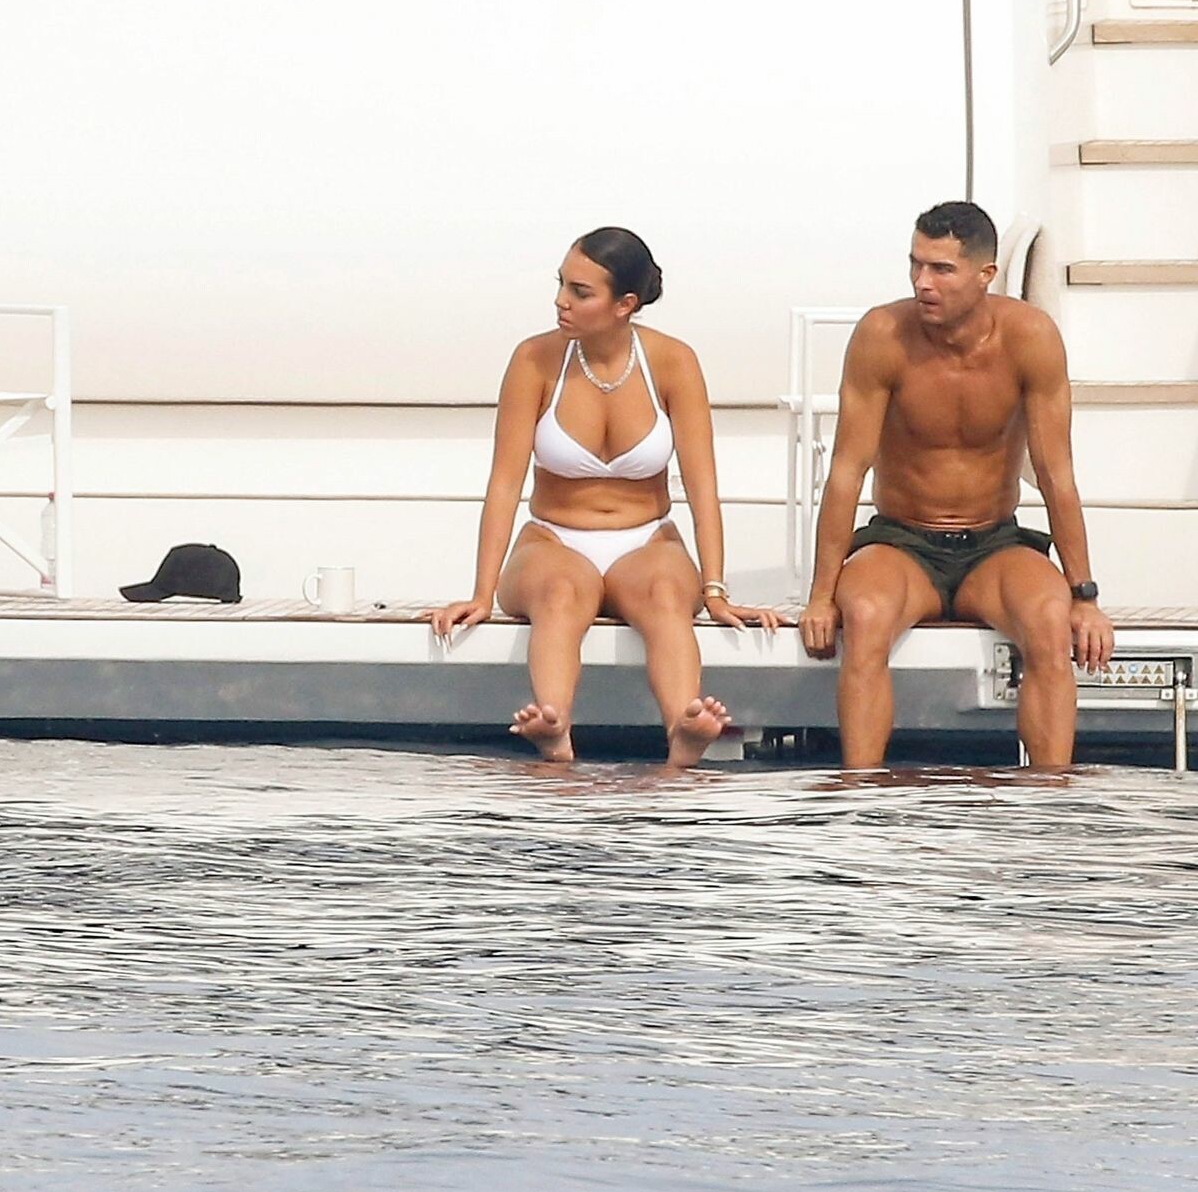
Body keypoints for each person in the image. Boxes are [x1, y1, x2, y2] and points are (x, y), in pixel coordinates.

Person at [429, 227, 777, 767]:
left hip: (647, 539)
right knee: (560, 593)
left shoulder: (673, 361)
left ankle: (684, 729)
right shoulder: (534, 360)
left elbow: (702, 485)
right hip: (553, 538)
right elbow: (504, 483)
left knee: (666, 593)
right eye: (561, 284)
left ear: (625, 304)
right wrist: (481, 592)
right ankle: (554, 726)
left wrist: (715, 589)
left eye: (580, 292)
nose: (561, 301)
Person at [799, 201, 1114, 768]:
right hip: (901, 542)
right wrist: (821, 596)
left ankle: (1052, 797)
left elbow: (1056, 474)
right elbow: (846, 471)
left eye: (942, 269)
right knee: (864, 617)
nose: (923, 282)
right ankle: (858, 794)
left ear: (985, 274)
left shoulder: (1029, 336)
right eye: (915, 264)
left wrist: (1084, 596)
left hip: (994, 543)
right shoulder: (882, 335)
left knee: (1050, 621)